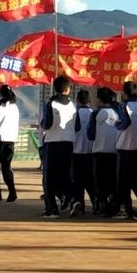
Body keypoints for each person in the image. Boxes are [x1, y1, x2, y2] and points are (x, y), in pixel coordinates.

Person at [41, 76, 77, 219]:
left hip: (53, 143)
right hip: (68, 143)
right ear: (68, 89)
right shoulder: (73, 105)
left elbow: (47, 124)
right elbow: (77, 125)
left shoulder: (50, 104)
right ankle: (71, 199)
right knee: (65, 175)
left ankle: (52, 209)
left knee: (49, 178)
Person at [87, 87, 120, 217]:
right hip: (114, 151)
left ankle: (101, 206)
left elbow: (90, 134)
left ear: (99, 99)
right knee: (112, 180)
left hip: (99, 151)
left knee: (100, 181)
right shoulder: (117, 112)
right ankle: (113, 205)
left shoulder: (95, 114)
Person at [115, 81, 137, 219]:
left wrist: (116, 124)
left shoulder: (123, 106)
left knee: (123, 182)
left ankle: (126, 210)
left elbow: (125, 123)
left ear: (124, 93)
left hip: (125, 147)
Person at [70, 89, 95, 217]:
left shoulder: (75, 114)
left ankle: (79, 204)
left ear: (77, 101)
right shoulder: (93, 113)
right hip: (90, 153)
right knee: (90, 180)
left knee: (77, 181)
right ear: (89, 100)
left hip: (76, 152)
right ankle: (96, 203)